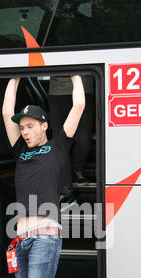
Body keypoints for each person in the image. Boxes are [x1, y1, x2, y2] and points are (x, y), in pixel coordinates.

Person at [2, 75, 85, 278]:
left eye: (31, 125)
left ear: (45, 126)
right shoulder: (20, 152)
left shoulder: (58, 146)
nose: (24, 129)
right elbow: (6, 111)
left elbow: (78, 105)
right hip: (20, 239)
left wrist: (76, 73)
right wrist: (12, 77)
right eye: (22, 126)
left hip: (46, 237)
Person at [49, 75, 95, 207]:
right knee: (60, 140)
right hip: (57, 91)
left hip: (84, 87)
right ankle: (65, 189)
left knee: (83, 139)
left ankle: (77, 170)